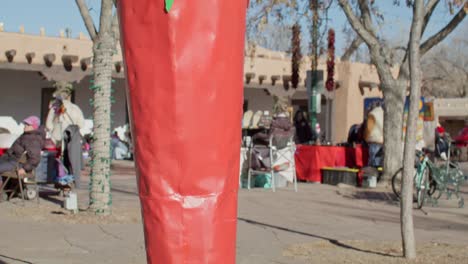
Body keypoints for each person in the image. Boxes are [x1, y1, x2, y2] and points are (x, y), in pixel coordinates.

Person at [364, 103, 384, 167]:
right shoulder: (384, 113)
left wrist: (365, 138)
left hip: (374, 142)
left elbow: (369, 129)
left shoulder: (372, 114)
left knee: (373, 164)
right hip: (382, 142)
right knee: (379, 164)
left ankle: (372, 176)